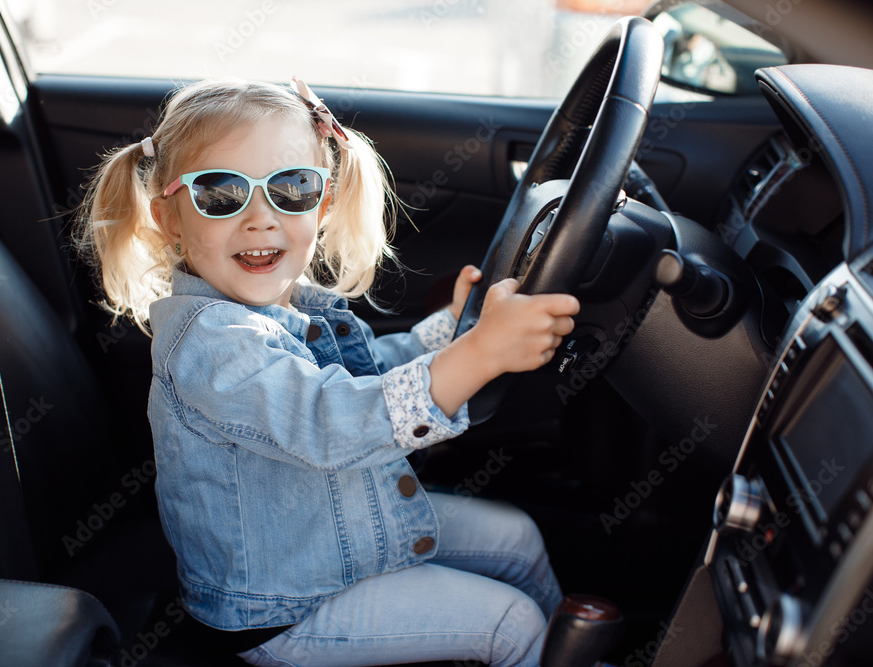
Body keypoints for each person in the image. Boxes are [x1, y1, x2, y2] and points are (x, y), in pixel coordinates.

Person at [75, 77, 580, 667]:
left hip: (337, 534)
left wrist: (452, 329)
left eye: (291, 189)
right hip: (282, 608)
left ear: (325, 202)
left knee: (517, 538)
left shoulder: (291, 304)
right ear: (170, 218)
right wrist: (480, 354)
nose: (261, 219)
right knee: (509, 623)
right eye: (220, 193)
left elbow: (368, 379)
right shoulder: (211, 343)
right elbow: (331, 419)